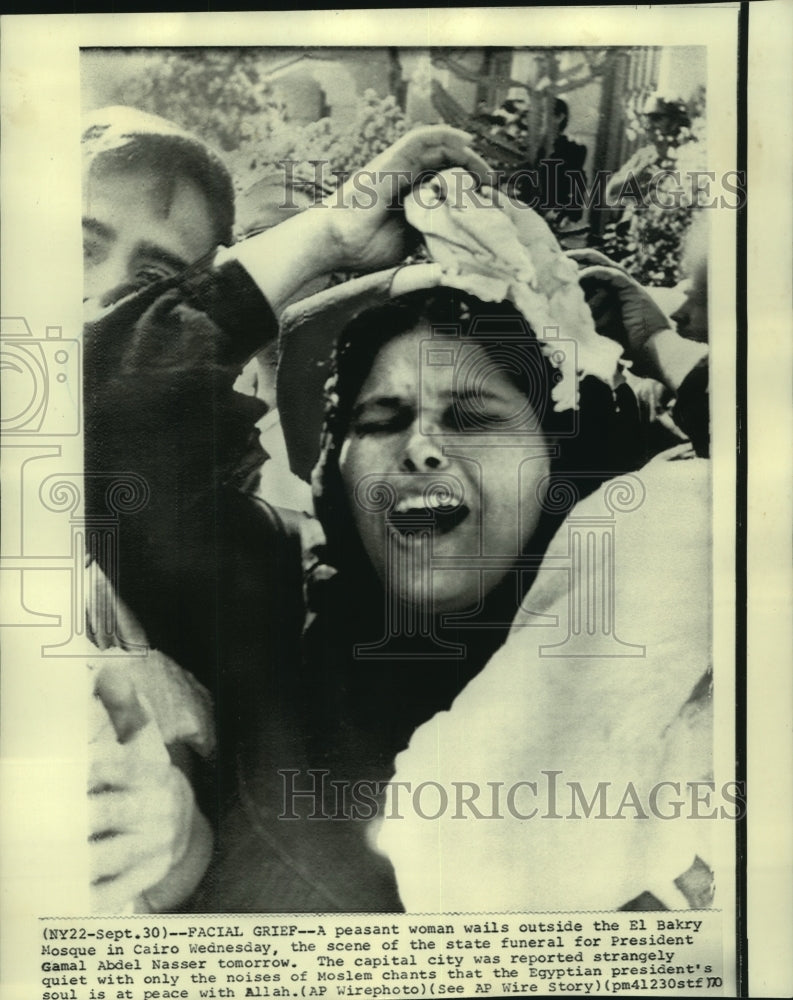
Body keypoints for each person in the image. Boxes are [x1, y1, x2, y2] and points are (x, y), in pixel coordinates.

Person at [85, 134, 708, 912]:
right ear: (335, 476)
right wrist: (326, 237)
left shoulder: (658, 644)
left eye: (474, 418)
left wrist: (658, 347)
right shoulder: (261, 611)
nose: (420, 448)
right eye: (380, 420)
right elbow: (94, 430)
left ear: (559, 473)